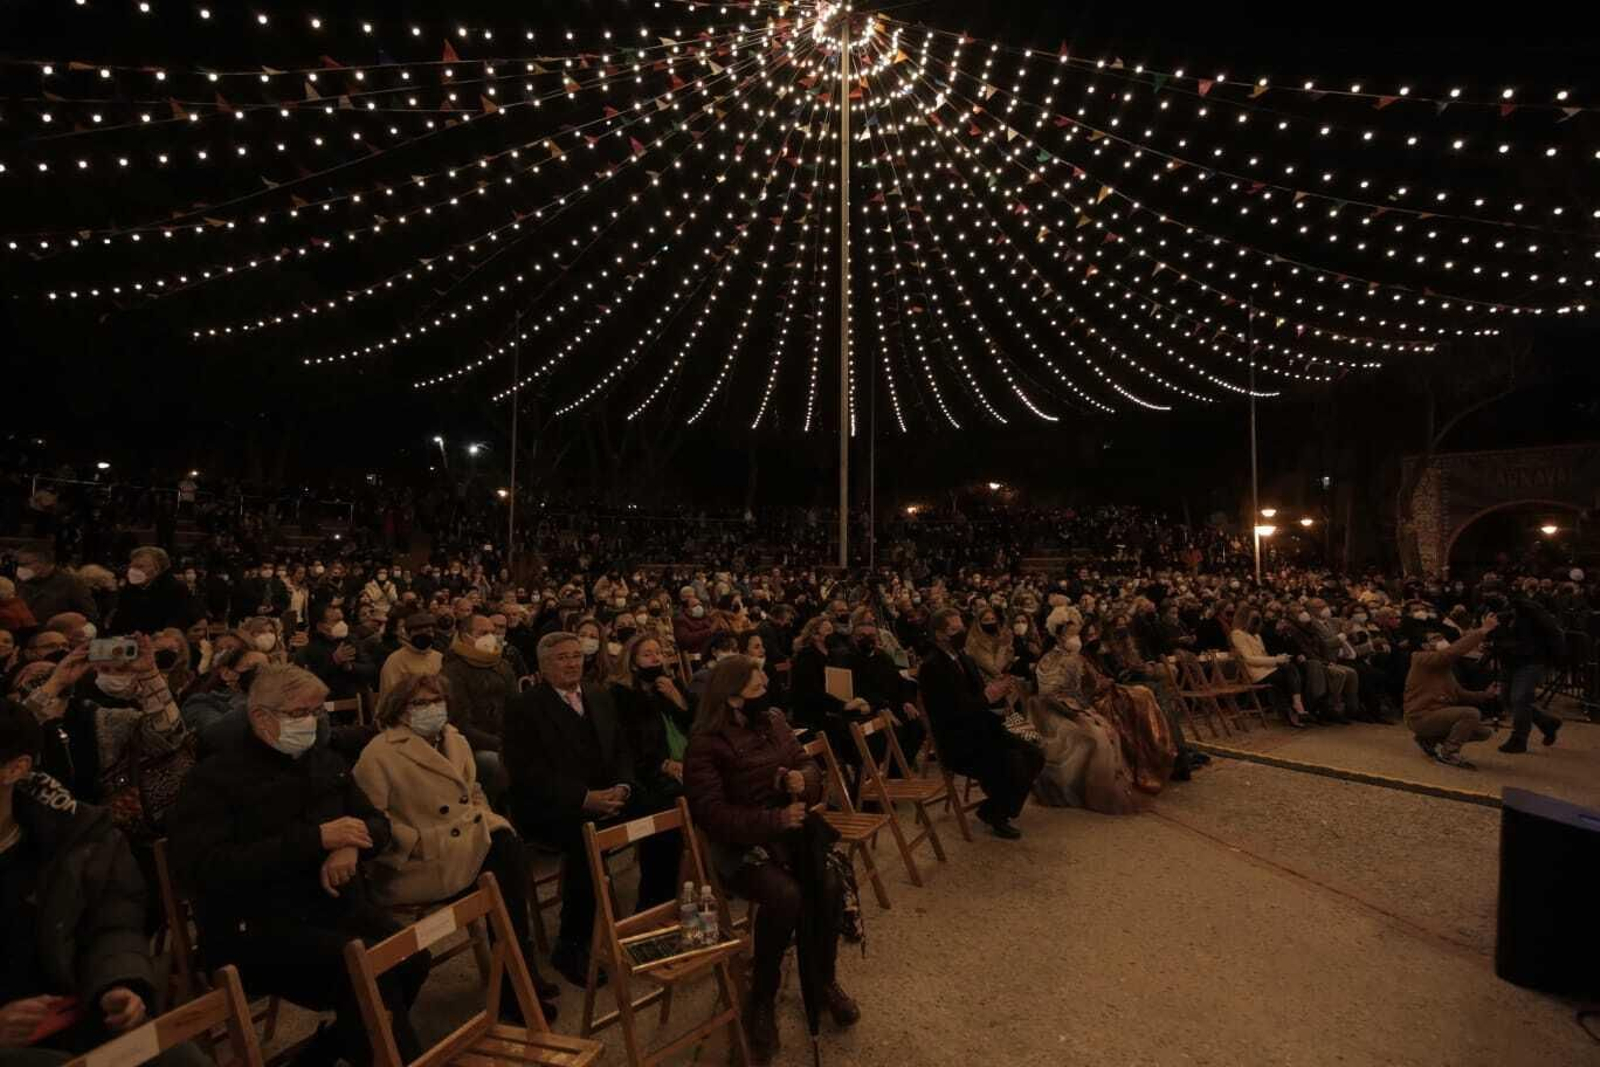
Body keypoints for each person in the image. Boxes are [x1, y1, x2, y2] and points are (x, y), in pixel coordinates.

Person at [169, 664, 428, 1067]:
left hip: (334, 908)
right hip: (257, 925)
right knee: (369, 975)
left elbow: (377, 823)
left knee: (411, 956)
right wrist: (316, 840)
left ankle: (325, 1052)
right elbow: (207, 867)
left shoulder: (324, 759)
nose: (311, 722)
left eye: (316, 712)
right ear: (261, 717)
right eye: (298, 713)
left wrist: (351, 847)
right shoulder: (214, 779)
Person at [0, 702, 208, 1067]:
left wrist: (119, 984)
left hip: (76, 1010)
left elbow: (111, 923)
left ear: (15, 769)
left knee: (181, 1059)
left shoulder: (72, 832)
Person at [351, 673, 560, 1020]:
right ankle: (518, 978)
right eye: (420, 703)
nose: (431, 709)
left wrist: (487, 820)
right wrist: (417, 841)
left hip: (463, 844)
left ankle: (517, 977)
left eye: (437, 701)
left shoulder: (455, 740)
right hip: (419, 862)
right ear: (401, 710)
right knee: (507, 863)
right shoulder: (380, 754)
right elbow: (371, 818)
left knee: (508, 851)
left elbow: (473, 790)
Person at [682, 656, 859, 1066]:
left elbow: (804, 762)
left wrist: (804, 780)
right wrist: (773, 819)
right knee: (786, 896)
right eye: (758, 690)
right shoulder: (706, 744)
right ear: (732, 698)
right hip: (741, 846)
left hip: (790, 833)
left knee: (829, 881)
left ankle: (823, 979)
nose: (768, 696)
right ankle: (762, 996)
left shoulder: (774, 720)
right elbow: (710, 815)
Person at [502, 632, 682, 987]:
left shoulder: (599, 696)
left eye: (575, 656)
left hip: (610, 793)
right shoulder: (524, 707)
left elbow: (620, 750)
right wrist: (584, 797)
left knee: (664, 815)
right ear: (542, 665)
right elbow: (527, 773)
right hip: (555, 806)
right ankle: (573, 942)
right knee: (586, 840)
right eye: (561, 658)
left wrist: (624, 785)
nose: (572, 663)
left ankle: (649, 916)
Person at [916, 609, 1043, 839]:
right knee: (1013, 760)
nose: (961, 633)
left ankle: (996, 807)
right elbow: (953, 712)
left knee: (1034, 749)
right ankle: (997, 812)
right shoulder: (932, 666)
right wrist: (988, 697)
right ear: (939, 635)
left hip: (984, 725)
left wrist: (1000, 693)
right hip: (959, 739)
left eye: (961, 628)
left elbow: (979, 694)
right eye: (953, 630)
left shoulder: (962, 655)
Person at [1402, 616, 1502, 769]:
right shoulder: (1421, 659)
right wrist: (1482, 631)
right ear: (1424, 645)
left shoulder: (1444, 667)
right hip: (1420, 716)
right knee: (1470, 714)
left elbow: (1460, 694)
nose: (1441, 640)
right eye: (1435, 639)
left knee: (1483, 733)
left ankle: (1429, 740)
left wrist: (1485, 694)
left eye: (1441, 637)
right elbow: (1451, 653)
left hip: (1437, 715)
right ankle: (1448, 753)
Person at [439, 615, 517, 798]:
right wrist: (500, 744)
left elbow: (516, 705)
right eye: (483, 633)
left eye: (492, 632)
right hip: (475, 745)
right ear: (466, 637)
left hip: (507, 738)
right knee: (495, 764)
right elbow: (460, 725)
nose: (491, 637)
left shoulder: (502, 665)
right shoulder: (453, 671)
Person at [609, 635, 691, 798]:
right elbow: (630, 743)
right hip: (651, 771)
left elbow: (697, 724)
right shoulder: (621, 695)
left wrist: (677, 698)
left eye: (659, 653)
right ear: (632, 664)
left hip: (690, 759)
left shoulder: (673, 685)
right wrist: (663, 764)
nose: (656, 659)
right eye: (647, 655)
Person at [1487, 591, 1566, 754]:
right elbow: (1499, 636)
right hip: (1510, 661)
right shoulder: (1503, 615)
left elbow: (1528, 643)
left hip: (1530, 662)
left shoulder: (1530, 616)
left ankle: (1519, 739)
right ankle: (1547, 722)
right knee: (1507, 699)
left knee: (1520, 698)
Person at [1230, 609, 1309, 727]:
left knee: (1293, 669)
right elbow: (1249, 659)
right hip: (1257, 673)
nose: (1257, 624)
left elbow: (1264, 655)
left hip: (1268, 669)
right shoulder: (1237, 634)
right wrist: (1276, 660)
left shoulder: (1257, 636)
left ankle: (1296, 707)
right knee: (1288, 672)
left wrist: (1279, 658)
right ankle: (1297, 707)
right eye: (1254, 621)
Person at [294, 601, 378, 705]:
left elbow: (371, 669)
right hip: (328, 703)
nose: (342, 625)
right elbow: (312, 680)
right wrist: (335, 661)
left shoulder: (351, 639)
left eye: (342, 620)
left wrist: (350, 667)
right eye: (336, 621)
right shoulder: (310, 648)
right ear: (321, 626)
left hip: (357, 699)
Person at [110, 547, 200, 636]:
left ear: (157, 569)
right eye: (131, 566)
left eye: (140, 567)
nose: (133, 571)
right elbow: (119, 619)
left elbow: (178, 622)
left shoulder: (176, 589)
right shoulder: (128, 589)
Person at [14, 547, 98, 627]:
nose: (20, 568)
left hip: (59, 636)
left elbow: (89, 615)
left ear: (42, 563)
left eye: (24, 564)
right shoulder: (22, 581)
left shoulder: (71, 583)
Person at [379, 610, 443, 696]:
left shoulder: (439, 658)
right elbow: (390, 697)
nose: (424, 635)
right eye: (418, 631)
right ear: (408, 635)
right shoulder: (395, 661)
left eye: (428, 631)